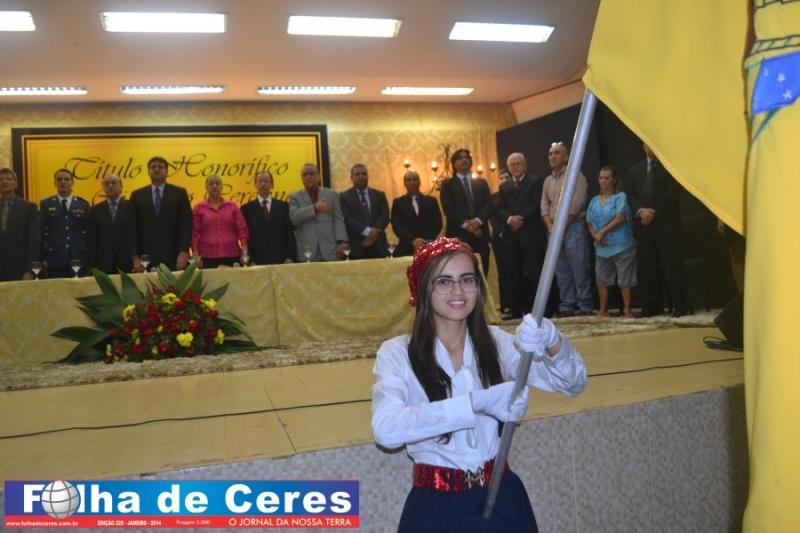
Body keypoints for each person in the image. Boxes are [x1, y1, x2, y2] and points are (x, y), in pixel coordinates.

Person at [372, 236, 587, 532]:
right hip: (436, 507)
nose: (458, 291)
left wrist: (552, 341)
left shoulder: (496, 342)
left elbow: (572, 383)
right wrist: (475, 404)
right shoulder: (397, 353)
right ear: (422, 289)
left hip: (501, 495)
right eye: (444, 281)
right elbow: (386, 431)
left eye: (467, 279)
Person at [625, 142, 689, 317]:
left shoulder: (670, 166)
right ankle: (651, 308)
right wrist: (641, 211)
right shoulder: (634, 170)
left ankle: (680, 306)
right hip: (644, 226)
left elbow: (672, 193)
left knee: (672, 266)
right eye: (646, 144)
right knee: (647, 268)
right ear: (643, 147)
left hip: (666, 224)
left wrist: (654, 212)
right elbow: (630, 195)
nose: (650, 147)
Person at [540, 142, 594, 316]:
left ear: (566, 157)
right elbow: (544, 207)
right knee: (561, 269)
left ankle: (585, 305)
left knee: (579, 267)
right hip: (552, 229)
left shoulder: (576, 175)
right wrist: (551, 228)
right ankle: (567, 305)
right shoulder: (547, 181)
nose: (553, 156)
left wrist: (559, 228)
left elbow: (576, 205)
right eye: (550, 154)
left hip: (573, 227)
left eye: (557, 153)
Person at [495, 153, 548, 319]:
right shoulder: (504, 187)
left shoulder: (535, 181)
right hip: (511, 237)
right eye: (512, 165)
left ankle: (539, 309)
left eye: (518, 163)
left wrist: (521, 218)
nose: (515, 167)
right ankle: (515, 309)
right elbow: (499, 208)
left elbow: (537, 203)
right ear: (508, 167)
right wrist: (509, 219)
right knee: (512, 274)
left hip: (531, 235)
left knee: (535, 273)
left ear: (524, 165)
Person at [586, 166, 637, 317]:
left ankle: (627, 309)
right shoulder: (594, 200)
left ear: (614, 180)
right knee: (601, 279)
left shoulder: (620, 197)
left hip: (622, 244)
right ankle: (603, 309)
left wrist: (602, 232)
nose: (603, 181)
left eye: (606, 178)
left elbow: (620, 217)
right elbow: (589, 222)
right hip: (601, 246)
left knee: (625, 278)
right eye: (601, 178)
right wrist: (595, 236)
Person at [128, 156, 192, 272]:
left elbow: (186, 225)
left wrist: (184, 252)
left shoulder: (179, 193)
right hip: (145, 257)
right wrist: (135, 257)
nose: (156, 169)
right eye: (153, 167)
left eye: (160, 167)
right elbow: (132, 229)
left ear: (167, 171)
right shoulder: (137, 196)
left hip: (174, 255)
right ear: (148, 172)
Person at [440, 148, 493, 275]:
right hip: (458, 237)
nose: (464, 160)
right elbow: (448, 209)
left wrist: (478, 221)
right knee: (461, 274)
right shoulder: (447, 184)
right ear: (454, 164)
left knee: (481, 274)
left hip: (480, 236)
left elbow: (489, 205)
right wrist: (468, 226)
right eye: (460, 158)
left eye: (466, 157)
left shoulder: (481, 182)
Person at [288, 163, 348, 261]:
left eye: (312, 173)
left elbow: (338, 219)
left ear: (318, 176)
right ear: (301, 179)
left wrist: (342, 241)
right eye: (305, 175)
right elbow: (294, 217)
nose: (308, 177)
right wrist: (315, 207)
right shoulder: (294, 196)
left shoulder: (332, 194)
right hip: (307, 250)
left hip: (331, 249)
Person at [39, 168, 91, 278]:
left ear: (72, 182)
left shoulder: (83, 205)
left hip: (78, 257)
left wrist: (90, 258)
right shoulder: (46, 204)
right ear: (55, 183)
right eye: (59, 179)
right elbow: (40, 233)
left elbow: (90, 234)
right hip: (54, 258)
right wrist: (42, 258)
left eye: (66, 179)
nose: (63, 182)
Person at [191, 175, 249, 268]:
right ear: (206, 187)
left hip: (232, 255)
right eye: (211, 184)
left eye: (217, 183)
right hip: (206, 256)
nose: (214, 186)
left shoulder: (232, 206)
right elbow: (194, 233)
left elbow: (242, 230)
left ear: (222, 187)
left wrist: (244, 250)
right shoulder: (199, 208)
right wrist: (195, 254)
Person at [241, 171, 295, 265]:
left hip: (281, 259)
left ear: (272, 185)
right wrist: (250, 260)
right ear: (255, 185)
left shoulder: (284, 207)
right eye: (260, 181)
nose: (263, 184)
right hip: (257, 260)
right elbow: (246, 237)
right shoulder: (246, 209)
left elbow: (290, 234)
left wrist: (290, 257)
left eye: (266, 181)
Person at [339, 163, 390, 259]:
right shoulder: (344, 197)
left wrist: (374, 232)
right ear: (351, 177)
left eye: (364, 173)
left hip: (379, 245)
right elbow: (347, 219)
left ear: (368, 176)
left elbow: (385, 216)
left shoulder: (380, 195)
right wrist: (367, 232)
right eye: (357, 174)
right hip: (357, 247)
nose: (361, 176)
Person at [390, 170, 442, 257]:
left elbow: (438, 222)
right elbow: (396, 225)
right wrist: (413, 240)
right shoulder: (398, 202)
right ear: (404, 183)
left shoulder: (431, 201)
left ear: (419, 181)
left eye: (415, 179)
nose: (412, 182)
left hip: (428, 246)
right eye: (409, 180)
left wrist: (423, 241)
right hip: (406, 247)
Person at [87, 174, 132, 274]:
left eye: (113, 183)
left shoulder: (131, 207)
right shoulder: (96, 210)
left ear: (121, 186)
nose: (110, 186)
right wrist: (92, 265)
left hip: (127, 261)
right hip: (103, 263)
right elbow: (92, 239)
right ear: (103, 187)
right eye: (107, 184)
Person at [0, 167, 39, 282]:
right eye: (1, 179)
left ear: (16, 184)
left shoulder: (29, 208)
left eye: (8, 179)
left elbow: (34, 242)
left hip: (20, 269)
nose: (4, 181)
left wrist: (30, 271)